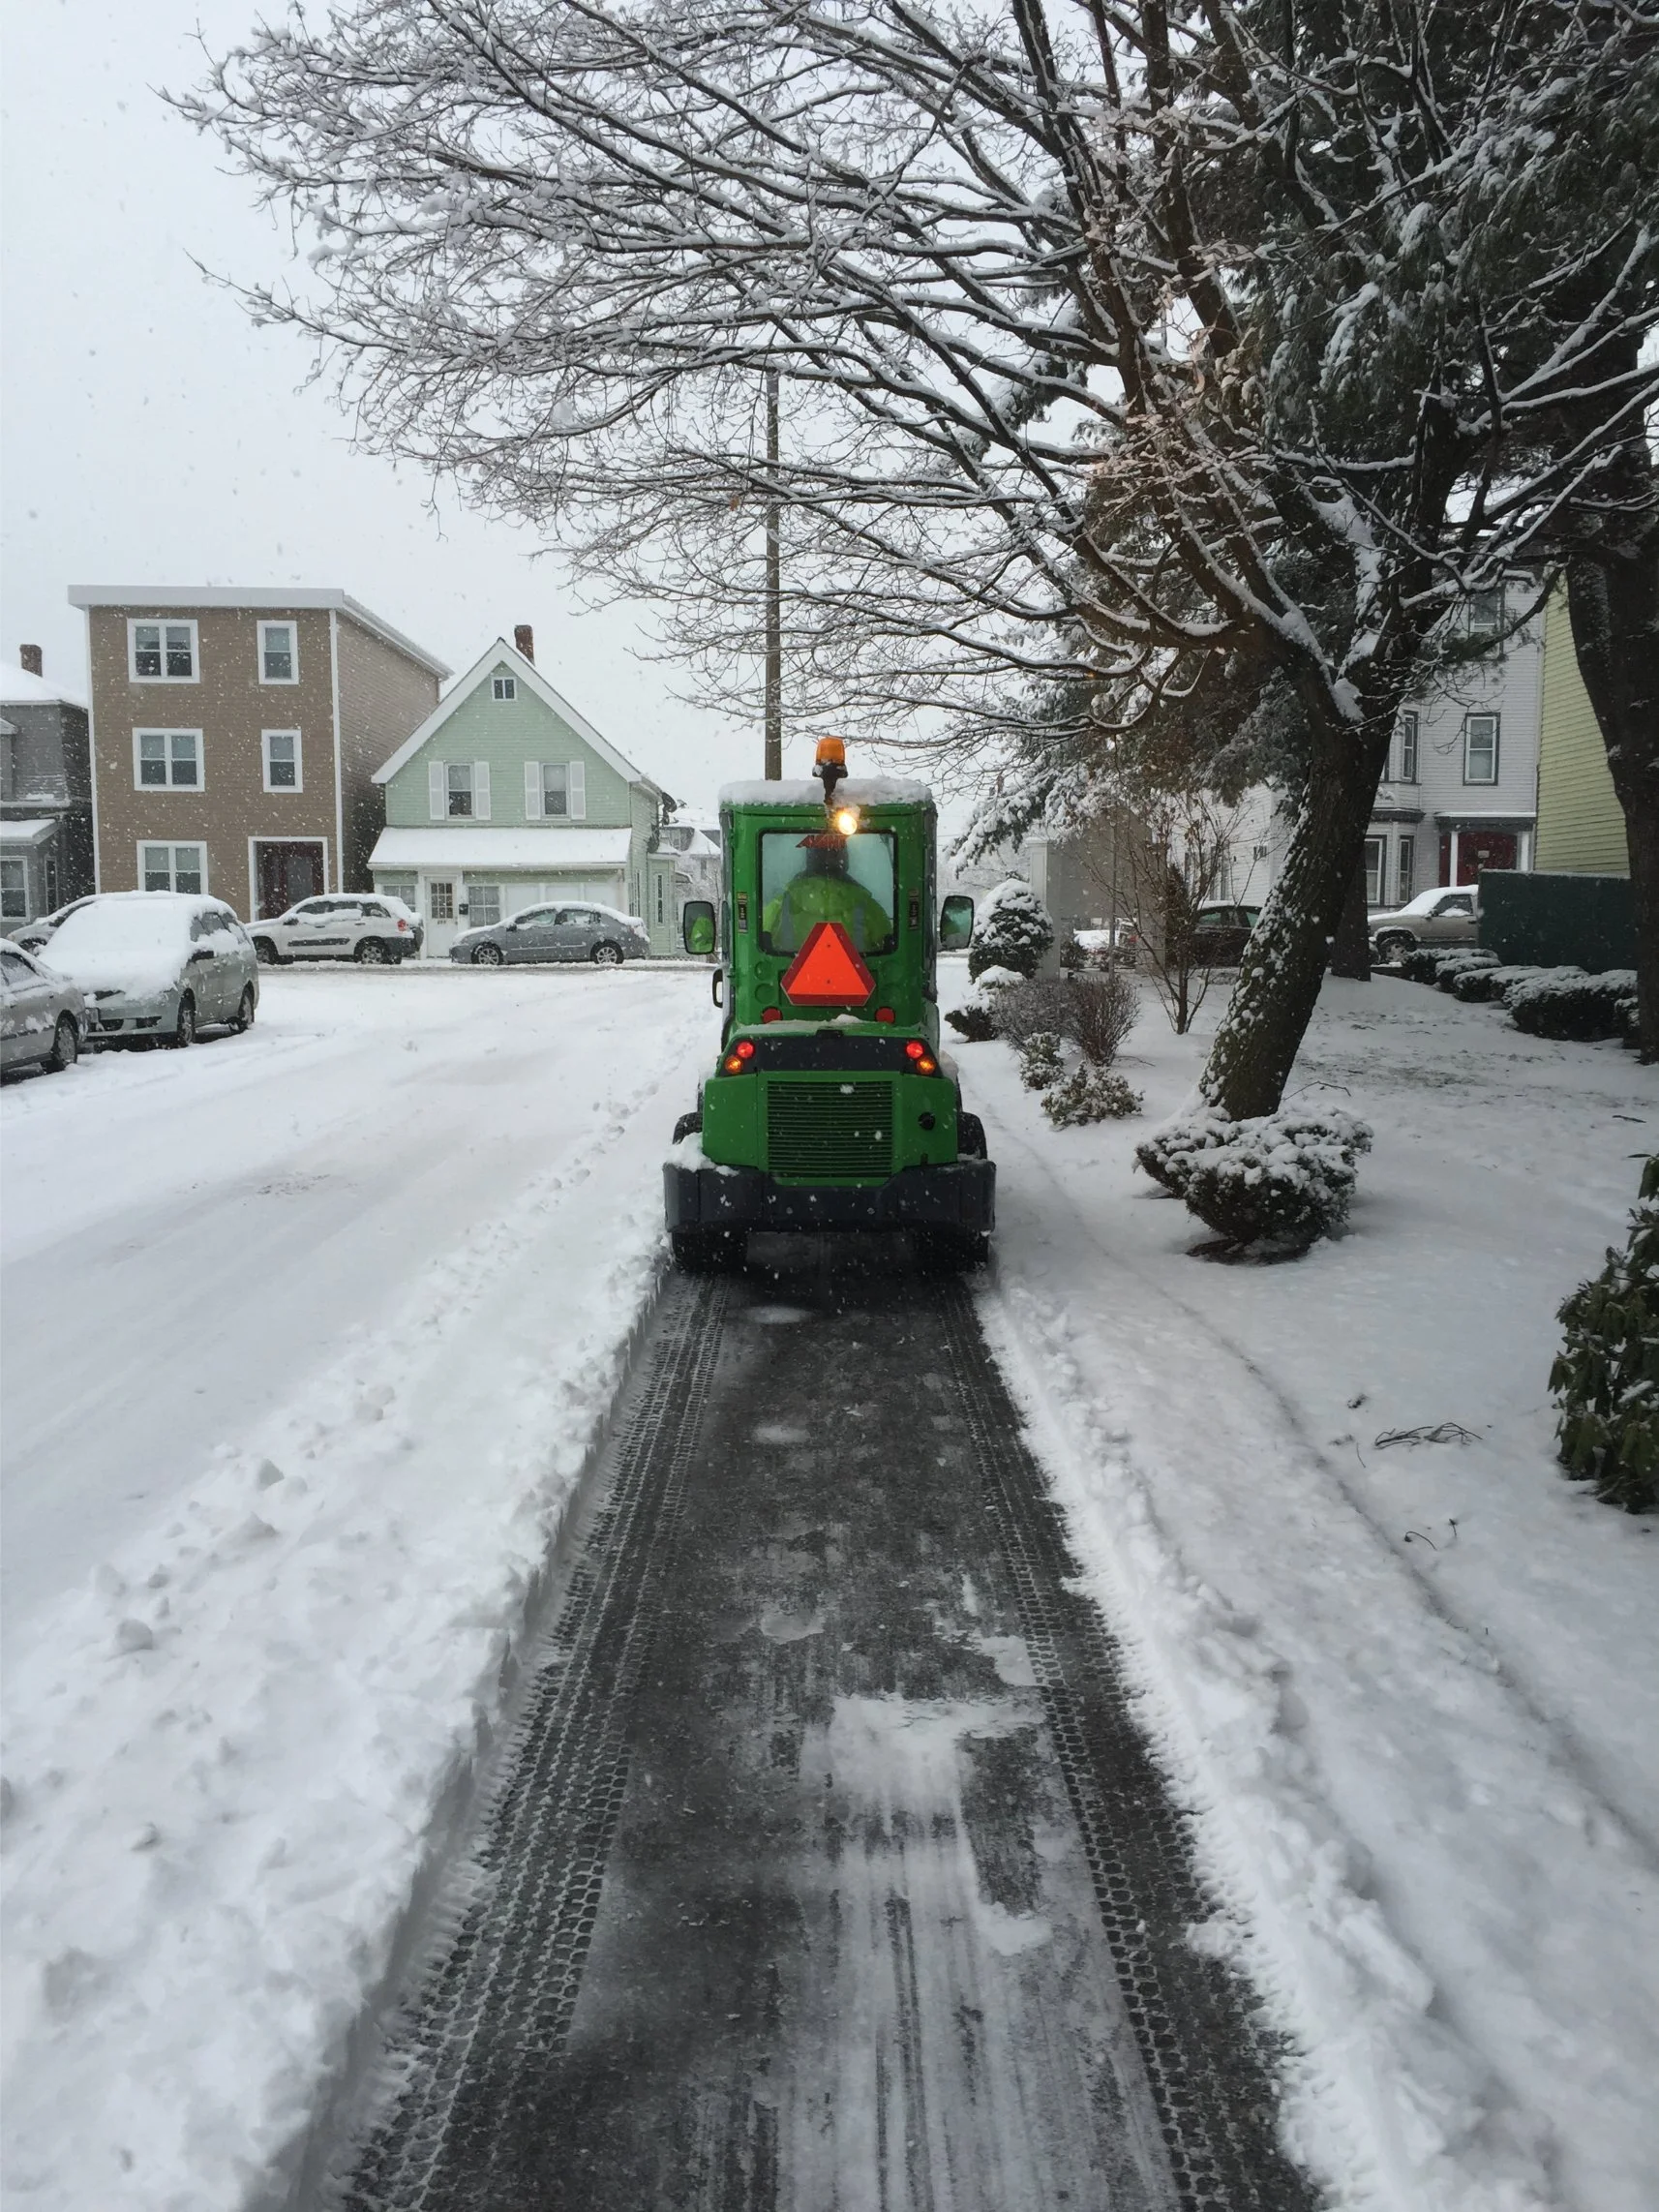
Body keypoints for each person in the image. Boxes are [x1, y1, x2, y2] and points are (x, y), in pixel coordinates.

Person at [762, 834, 891, 953]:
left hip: (791, 971)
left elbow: (759, 943)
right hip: (857, 971)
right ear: (844, 858)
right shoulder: (867, 907)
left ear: (810, 859)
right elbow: (889, 947)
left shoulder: (781, 905)